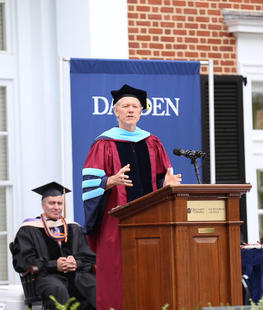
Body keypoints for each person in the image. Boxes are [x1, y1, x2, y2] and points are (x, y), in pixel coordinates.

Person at [81, 84, 182, 310]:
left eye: (135, 106)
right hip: (115, 222)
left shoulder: (152, 142)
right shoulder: (103, 144)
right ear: (116, 111)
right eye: (125, 106)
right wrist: (109, 181)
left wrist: (166, 185)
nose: (130, 110)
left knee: (151, 271)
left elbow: (162, 178)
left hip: (151, 221)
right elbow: (89, 184)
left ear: (141, 111)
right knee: (117, 273)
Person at [10, 182, 96, 309]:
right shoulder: (29, 229)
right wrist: (54, 265)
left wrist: (76, 263)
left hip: (76, 274)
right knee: (57, 288)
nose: (56, 207)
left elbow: (88, 257)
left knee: (93, 285)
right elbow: (23, 261)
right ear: (43, 205)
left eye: (59, 203)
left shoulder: (73, 227)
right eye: (52, 203)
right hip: (46, 276)